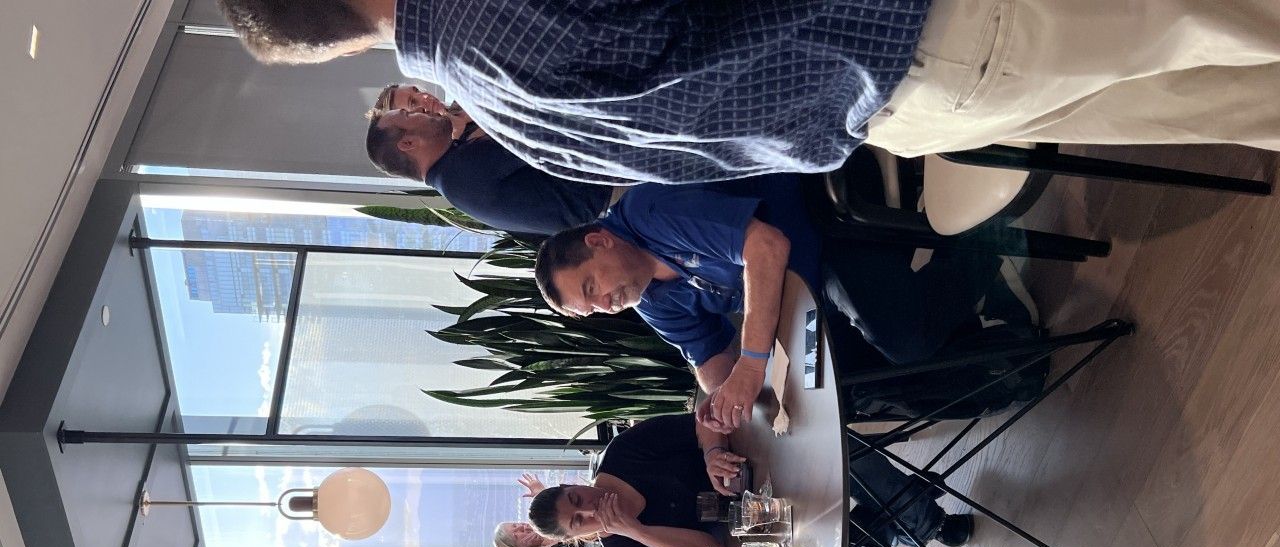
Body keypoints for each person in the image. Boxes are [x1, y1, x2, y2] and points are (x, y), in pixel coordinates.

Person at [216, 0, 1280, 186]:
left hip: (903, 101)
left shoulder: (503, 115)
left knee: (1232, 100)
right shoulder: (486, 22)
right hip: (925, 26)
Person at [534, 173, 1034, 433]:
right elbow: (708, 357)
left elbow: (767, 246)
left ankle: (987, 248)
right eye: (592, 310)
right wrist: (723, 404)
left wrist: (752, 367)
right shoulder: (648, 298)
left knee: (904, 338)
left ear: (599, 241)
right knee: (848, 392)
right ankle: (1002, 358)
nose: (606, 305)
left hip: (819, 222)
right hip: (803, 296)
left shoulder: (648, 211)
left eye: (592, 288)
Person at [524, 414, 973, 547]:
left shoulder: (623, 453)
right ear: (579, 537)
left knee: (841, 451)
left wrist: (710, 453)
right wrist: (637, 530)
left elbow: (702, 421)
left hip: (753, 468)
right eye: (579, 520)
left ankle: (923, 522)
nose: (589, 507)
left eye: (577, 498)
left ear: (573, 483)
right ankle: (909, 517)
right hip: (746, 542)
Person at [365, 84, 616, 239]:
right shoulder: (461, 172)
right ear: (408, 143)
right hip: (611, 183)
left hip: (606, 183)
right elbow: (540, 130)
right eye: (409, 113)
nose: (421, 108)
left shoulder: (453, 175)